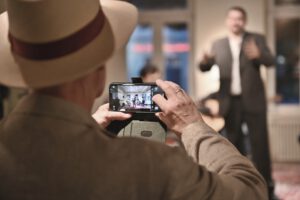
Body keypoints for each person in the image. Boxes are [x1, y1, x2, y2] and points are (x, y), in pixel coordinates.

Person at [0, 1, 267, 199]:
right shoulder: (148, 163)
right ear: (99, 70)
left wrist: (88, 125)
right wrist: (192, 126)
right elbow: (249, 191)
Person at [199, 6, 275, 198]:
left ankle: (267, 188)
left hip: (253, 100)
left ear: (244, 21)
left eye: (239, 19)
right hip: (229, 103)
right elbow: (205, 67)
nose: (236, 22)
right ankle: (238, 186)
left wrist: (260, 55)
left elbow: (271, 61)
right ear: (227, 21)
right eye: (232, 18)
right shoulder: (218, 44)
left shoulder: (256, 39)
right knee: (233, 145)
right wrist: (205, 60)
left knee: (260, 146)